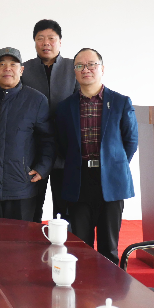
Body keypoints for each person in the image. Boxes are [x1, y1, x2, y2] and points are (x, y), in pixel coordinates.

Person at [56, 48, 138, 265]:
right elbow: (63, 145)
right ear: (75, 71)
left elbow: (130, 141)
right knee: (80, 246)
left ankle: (110, 286)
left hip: (111, 180)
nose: (86, 69)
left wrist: (113, 165)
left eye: (91, 64)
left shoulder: (121, 102)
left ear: (102, 69)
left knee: (108, 247)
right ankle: (82, 286)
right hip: (79, 180)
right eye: (80, 66)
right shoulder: (65, 107)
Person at [0, 47, 55, 221]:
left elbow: (48, 139)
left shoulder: (36, 100)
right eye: (1, 64)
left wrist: (42, 168)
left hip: (22, 186)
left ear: (21, 70)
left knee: (21, 237)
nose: (7, 68)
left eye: (13, 64)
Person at [22, 19, 79, 223]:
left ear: (60, 41)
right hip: (34, 151)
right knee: (31, 208)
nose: (46, 43)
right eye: (40, 38)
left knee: (64, 211)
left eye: (51, 38)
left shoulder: (73, 68)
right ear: (34, 42)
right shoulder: (24, 69)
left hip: (66, 150)